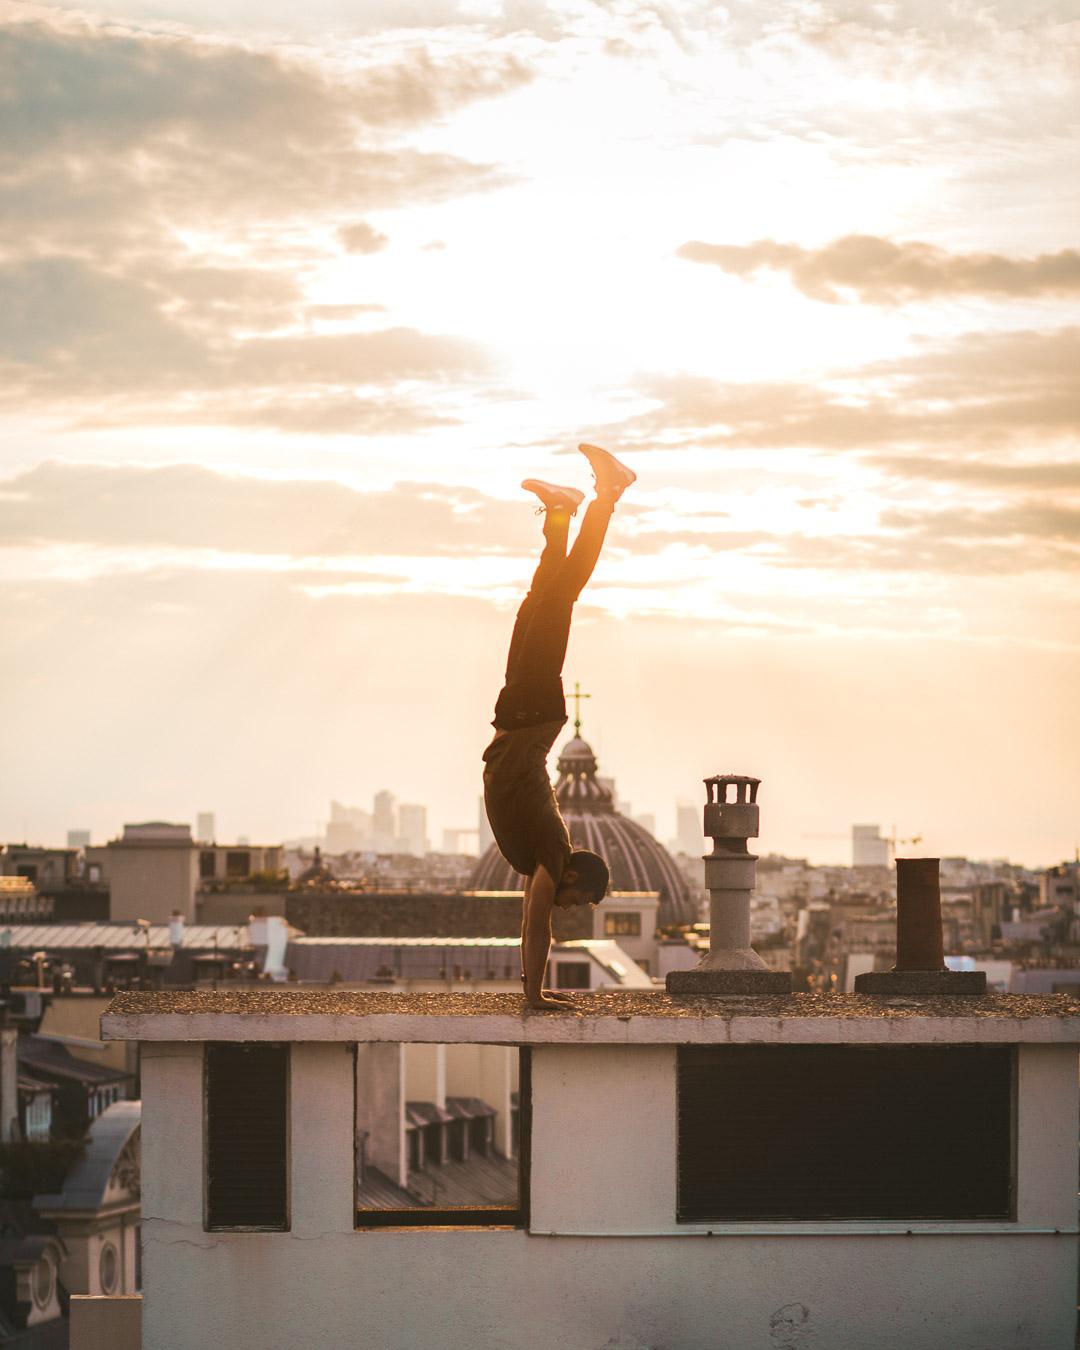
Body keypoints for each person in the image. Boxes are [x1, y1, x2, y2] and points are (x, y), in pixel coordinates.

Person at [482, 443, 636, 1009]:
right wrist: (534, 995)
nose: (560, 909)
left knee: (542, 598)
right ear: (573, 879)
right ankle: (608, 495)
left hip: (519, 717)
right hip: (530, 716)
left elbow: (533, 916)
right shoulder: (551, 854)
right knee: (559, 598)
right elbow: (535, 925)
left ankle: (562, 512)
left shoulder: (540, 854)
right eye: (573, 902)